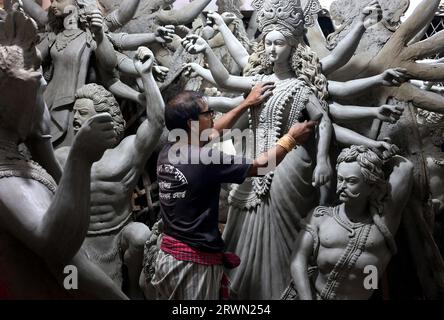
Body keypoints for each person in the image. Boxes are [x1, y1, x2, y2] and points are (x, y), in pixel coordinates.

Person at [0, 6, 124, 299]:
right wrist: (80, 158)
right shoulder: (6, 178)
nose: (45, 82)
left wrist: (41, 142)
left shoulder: (21, 162)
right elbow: (57, 246)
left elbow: (74, 268)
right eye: (36, 79)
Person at [151, 84, 317, 299]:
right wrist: (291, 138)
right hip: (190, 265)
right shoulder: (203, 160)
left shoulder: (171, 147)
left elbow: (213, 131)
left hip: (169, 254)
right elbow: (260, 167)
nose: (212, 116)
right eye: (207, 113)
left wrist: (246, 104)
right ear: (191, 124)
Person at [55, 47, 164, 299]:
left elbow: (157, 123)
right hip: (81, 237)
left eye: (82, 114)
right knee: (71, 282)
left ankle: (135, 287)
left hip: (119, 233)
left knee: (141, 235)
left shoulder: (125, 152)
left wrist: (146, 74)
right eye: (74, 114)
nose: (75, 120)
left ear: (102, 117)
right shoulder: (62, 158)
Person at [289, 145, 414, 299]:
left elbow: (406, 168)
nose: (342, 186)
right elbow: (298, 259)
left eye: (351, 181)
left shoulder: (385, 221)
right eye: (340, 179)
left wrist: (380, 155)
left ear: (371, 186)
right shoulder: (321, 216)